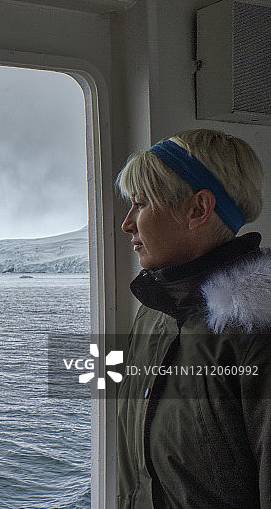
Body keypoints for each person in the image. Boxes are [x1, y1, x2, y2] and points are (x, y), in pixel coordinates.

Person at [115, 129, 271, 508]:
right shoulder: (153, 311)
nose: (127, 224)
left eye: (141, 203)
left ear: (198, 209)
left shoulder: (255, 335)